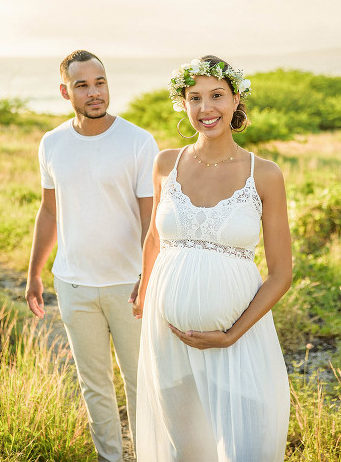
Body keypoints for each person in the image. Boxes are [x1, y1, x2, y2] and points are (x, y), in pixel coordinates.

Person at [131, 55, 291, 460]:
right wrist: (144, 288)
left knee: (246, 448)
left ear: (236, 99)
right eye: (194, 97)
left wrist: (230, 334)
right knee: (187, 452)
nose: (206, 108)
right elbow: (154, 236)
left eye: (217, 95)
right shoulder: (166, 163)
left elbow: (281, 274)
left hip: (238, 341)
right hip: (167, 336)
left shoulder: (265, 173)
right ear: (182, 103)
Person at [25, 49, 159, 461]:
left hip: (129, 285)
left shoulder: (138, 141)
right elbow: (49, 210)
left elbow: (150, 219)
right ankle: (110, 458)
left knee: (141, 383)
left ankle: (149, 455)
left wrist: (147, 278)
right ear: (66, 92)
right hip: (74, 284)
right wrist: (34, 273)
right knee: (94, 385)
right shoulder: (52, 143)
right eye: (82, 85)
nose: (94, 92)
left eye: (99, 82)